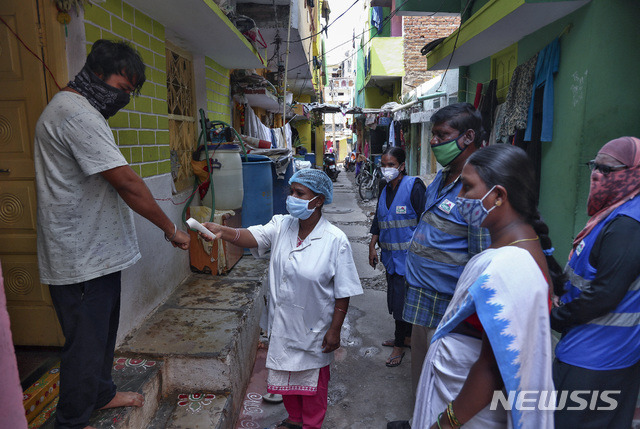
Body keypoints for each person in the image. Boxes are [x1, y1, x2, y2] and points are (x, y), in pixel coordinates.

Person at [34, 39, 190, 429]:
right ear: (95, 74)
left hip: (96, 250)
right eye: (122, 88)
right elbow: (127, 182)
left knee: (101, 333)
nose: (123, 98)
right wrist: (171, 229)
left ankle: (101, 393)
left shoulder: (80, 111)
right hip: (80, 253)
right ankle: (70, 420)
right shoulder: (75, 114)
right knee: (85, 343)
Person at [199, 169, 362, 429]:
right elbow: (252, 236)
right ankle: (294, 420)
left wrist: (335, 330)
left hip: (314, 328)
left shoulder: (335, 240)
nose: (291, 198)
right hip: (282, 325)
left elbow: (344, 291)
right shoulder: (281, 225)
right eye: (291, 191)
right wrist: (223, 230)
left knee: (312, 386)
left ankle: (310, 425)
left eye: (300, 193)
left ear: (318, 200)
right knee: (285, 380)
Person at [413, 144, 561, 428]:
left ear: (498, 196)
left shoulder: (512, 266)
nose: (460, 197)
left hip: (470, 410)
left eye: (467, 187)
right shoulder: (516, 249)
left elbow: (493, 366)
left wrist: (445, 423)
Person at [551, 136, 640, 428]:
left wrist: (556, 317)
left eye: (607, 170)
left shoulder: (628, 225)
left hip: (598, 357)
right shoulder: (613, 212)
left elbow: (605, 294)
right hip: (588, 346)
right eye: (594, 166)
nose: (596, 175)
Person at [369, 147, 426, 367]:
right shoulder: (384, 188)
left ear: (401, 166)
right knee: (395, 301)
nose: (386, 169)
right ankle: (406, 337)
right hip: (391, 258)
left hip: (410, 260)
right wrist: (372, 246)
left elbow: (426, 221)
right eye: (383, 164)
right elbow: (378, 219)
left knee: (403, 303)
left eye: (391, 165)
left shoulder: (415, 187)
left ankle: (399, 346)